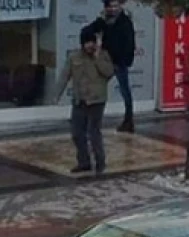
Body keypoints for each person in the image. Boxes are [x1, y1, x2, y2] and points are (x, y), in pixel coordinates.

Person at [56, 28, 115, 174]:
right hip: (79, 100)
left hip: (96, 100)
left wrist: (97, 58)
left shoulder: (103, 55)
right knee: (77, 133)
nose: (90, 45)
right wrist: (57, 94)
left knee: (94, 133)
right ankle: (84, 162)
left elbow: (109, 73)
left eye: (92, 42)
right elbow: (65, 75)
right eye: (87, 42)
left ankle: (100, 162)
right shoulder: (74, 57)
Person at [88, 0, 136, 133]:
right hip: (107, 60)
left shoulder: (125, 22)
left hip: (119, 61)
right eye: (111, 6)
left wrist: (126, 60)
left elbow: (130, 42)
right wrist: (100, 20)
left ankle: (129, 120)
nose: (113, 9)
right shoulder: (105, 21)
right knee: (96, 86)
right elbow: (90, 30)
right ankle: (89, 117)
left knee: (125, 90)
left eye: (116, 6)